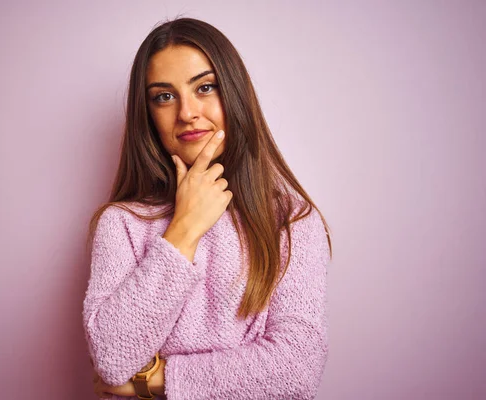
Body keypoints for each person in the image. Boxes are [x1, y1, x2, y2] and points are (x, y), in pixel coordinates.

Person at [82, 17, 333, 400]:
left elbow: (295, 368)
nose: (186, 112)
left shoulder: (291, 220)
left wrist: (150, 380)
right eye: (164, 96)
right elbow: (113, 359)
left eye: (205, 87)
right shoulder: (122, 224)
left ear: (233, 93)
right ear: (147, 114)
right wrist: (184, 228)